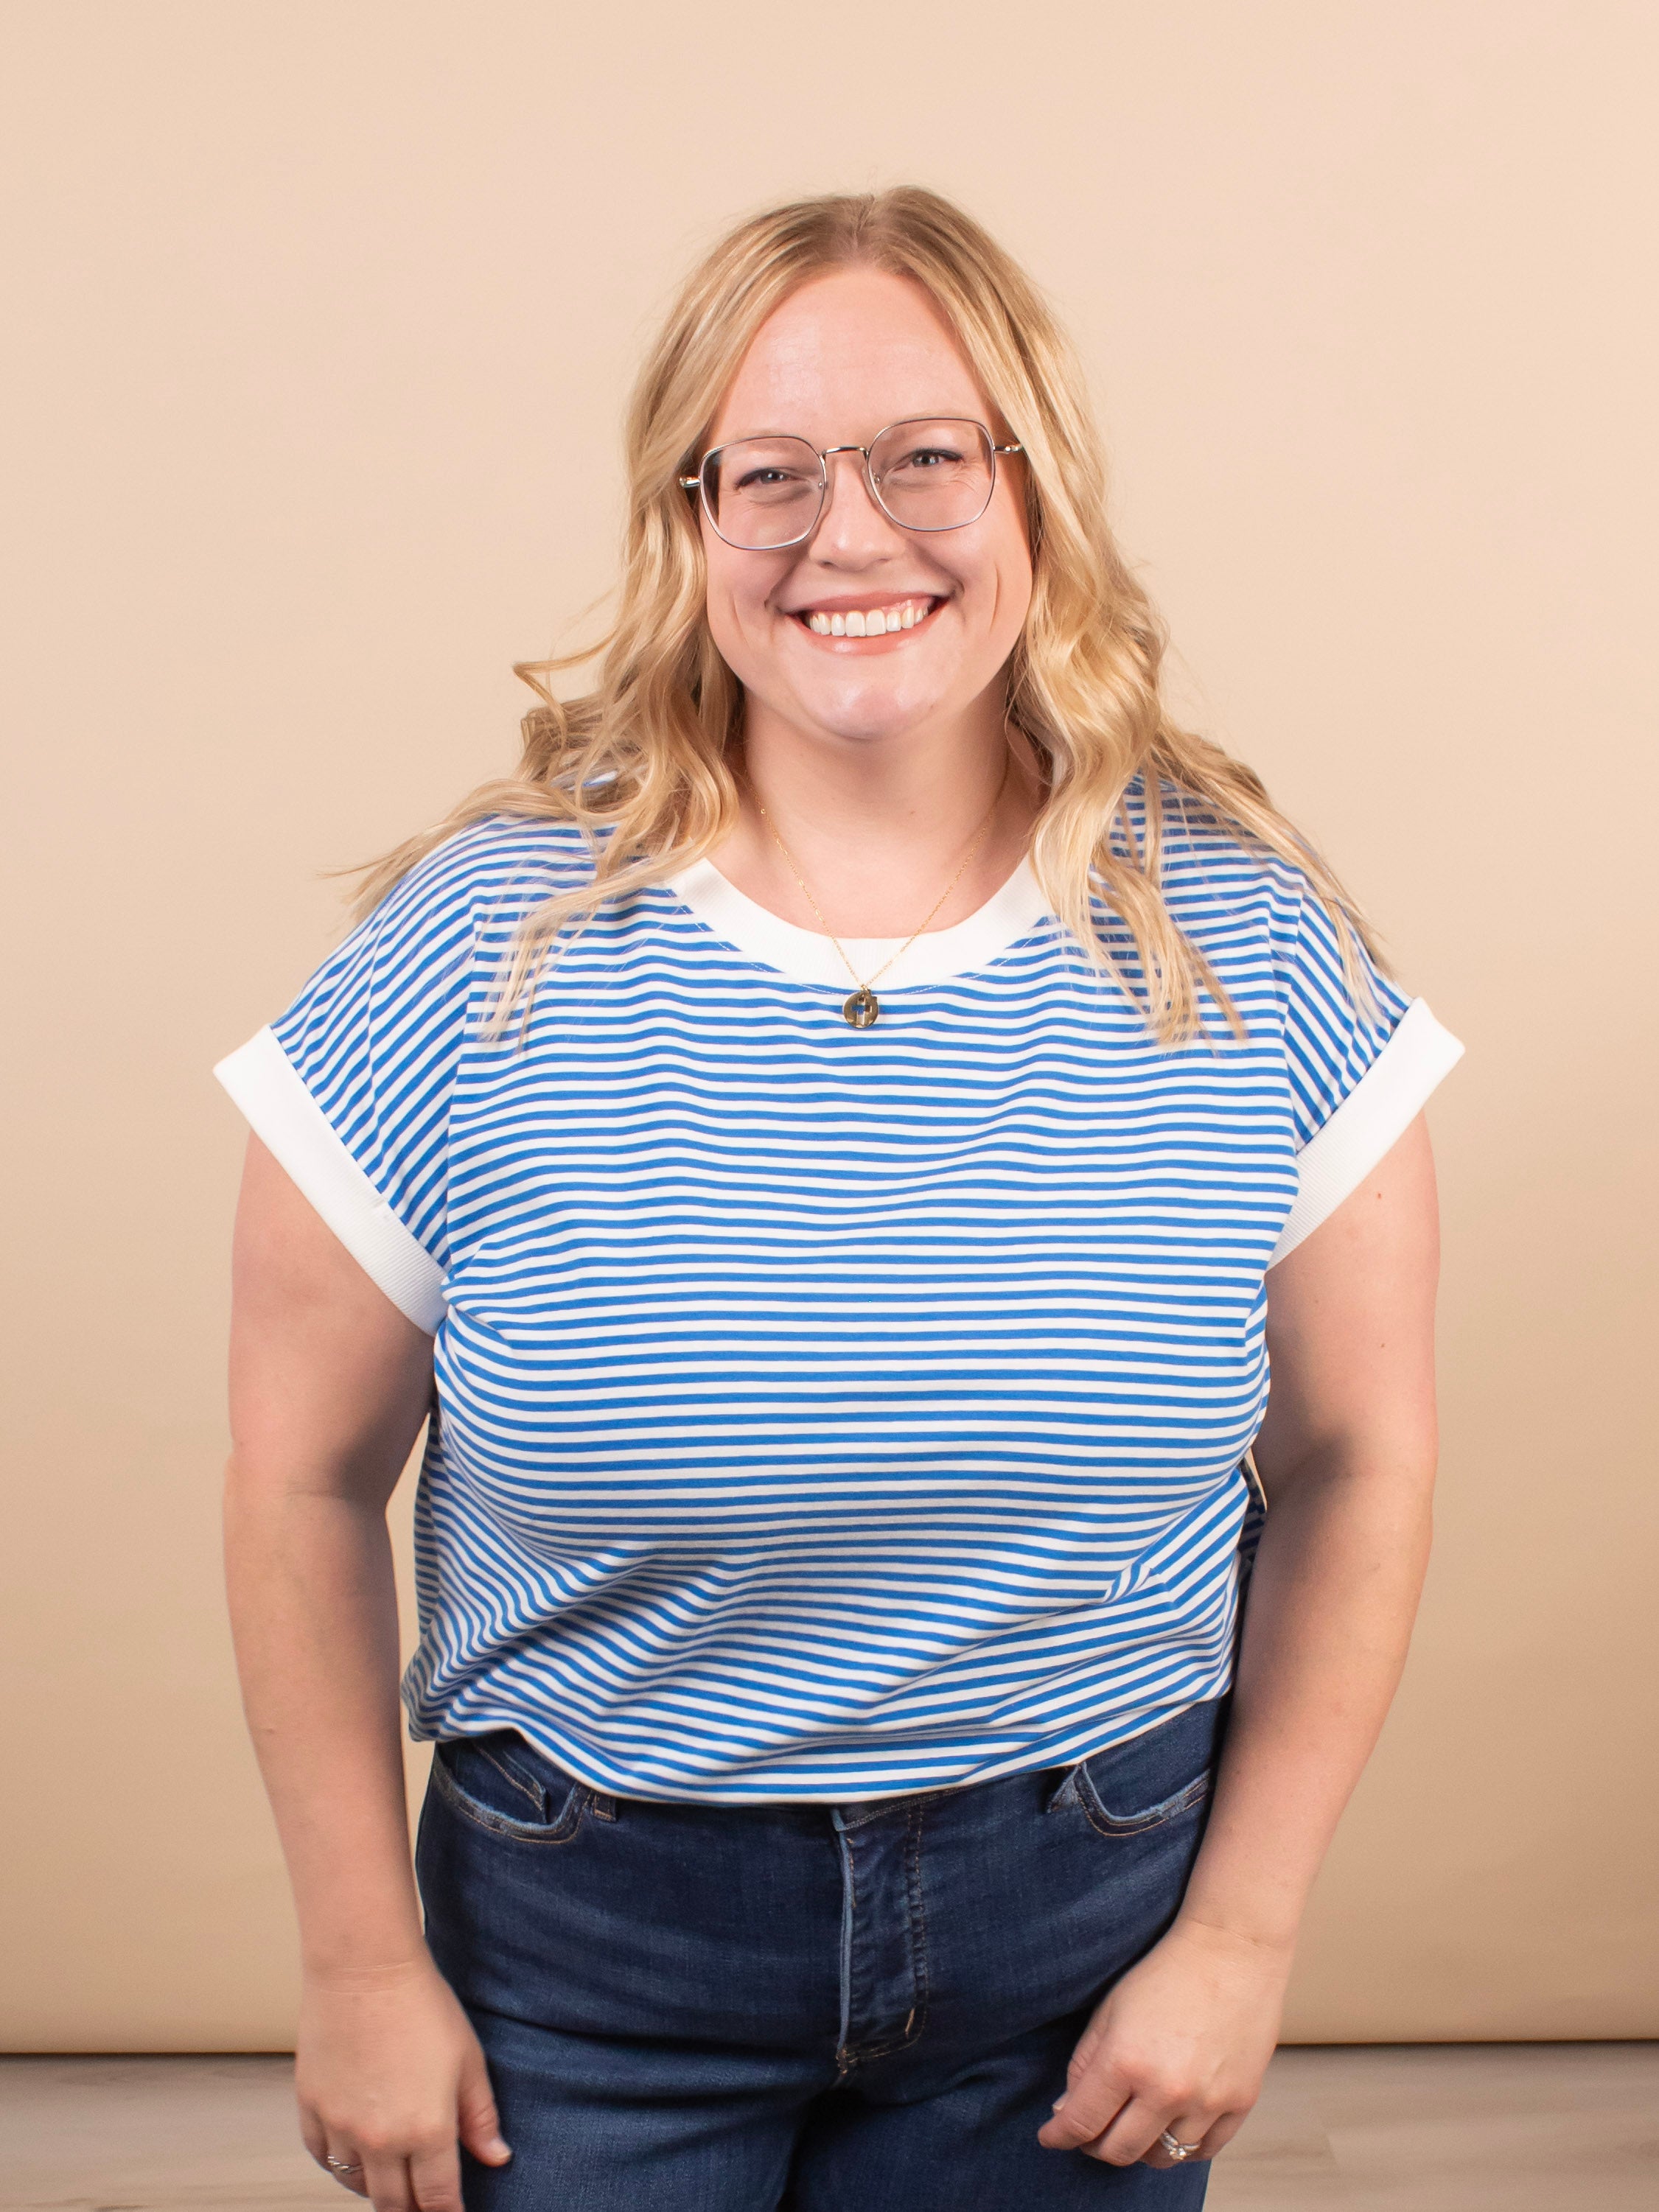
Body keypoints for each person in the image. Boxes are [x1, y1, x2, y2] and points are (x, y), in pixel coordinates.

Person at [216, 187, 1461, 2212]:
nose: (848, 535)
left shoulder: (1239, 938)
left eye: (923, 458)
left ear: (1033, 487)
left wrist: (1240, 1938)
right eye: (769, 474)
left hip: (1083, 1944)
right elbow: (293, 1480)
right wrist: (361, 1965)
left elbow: (1363, 1458)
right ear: (688, 520)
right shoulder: (475, 955)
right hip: (583, 1959)